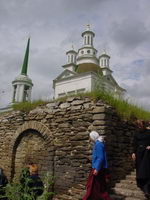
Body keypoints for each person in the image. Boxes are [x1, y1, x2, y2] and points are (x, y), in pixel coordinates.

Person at [82, 131, 112, 200]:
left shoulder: (98, 144)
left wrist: (97, 169)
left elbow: (100, 157)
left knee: (94, 187)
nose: (90, 139)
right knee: (97, 188)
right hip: (98, 168)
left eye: (90, 138)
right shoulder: (98, 143)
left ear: (93, 137)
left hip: (98, 169)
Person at [132, 120, 150, 197]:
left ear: (144, 125)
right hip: (138, 153)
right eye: (138, 125)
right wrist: (133, 152)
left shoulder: (149, 132)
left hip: (147, 153)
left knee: (146, 169)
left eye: (140, 125)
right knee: (139, 168)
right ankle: (140, 184)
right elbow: (134, 143)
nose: (139, 126)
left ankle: (146, 187)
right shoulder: (136, 134)